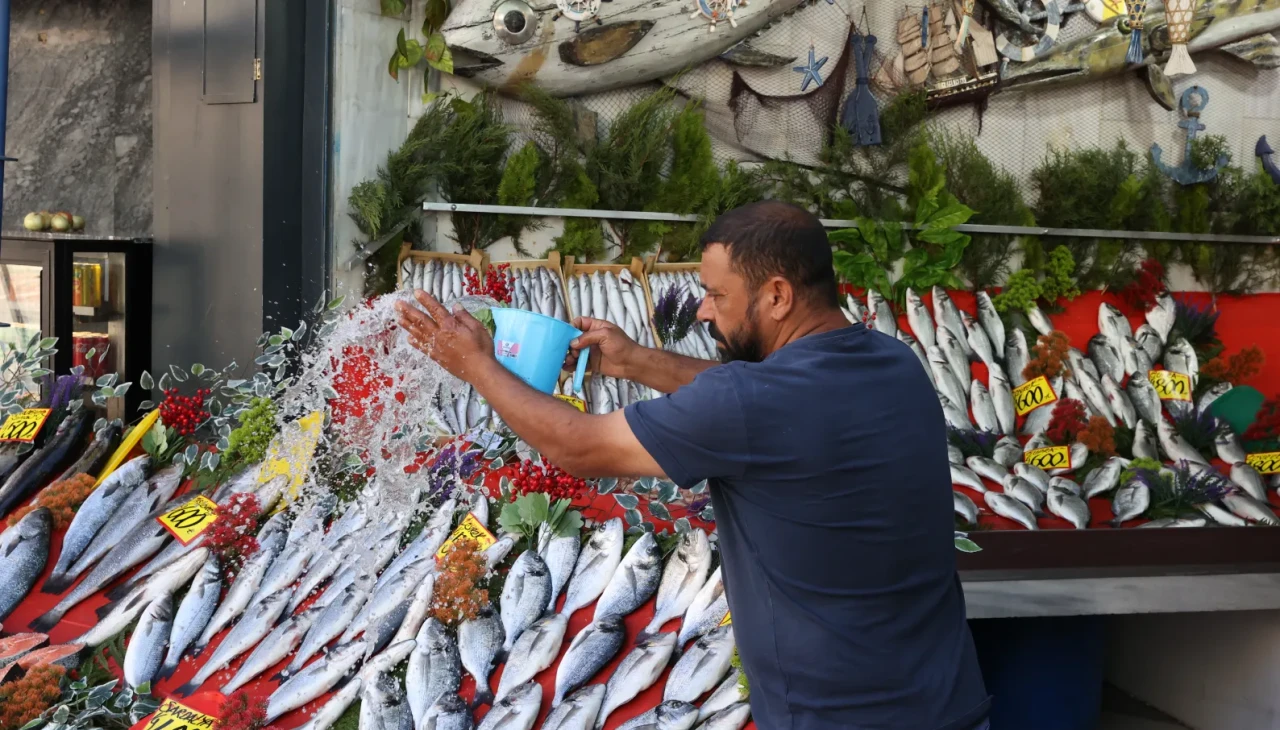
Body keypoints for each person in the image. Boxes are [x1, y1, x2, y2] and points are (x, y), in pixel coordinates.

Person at [395, 200, 990, 730]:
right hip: (950, 698)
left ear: (778, 295)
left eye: (718, 295)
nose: (703, 311)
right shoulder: (890, 362)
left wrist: (474, 365)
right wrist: (635, 362)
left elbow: (577, 445)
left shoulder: (752, 403)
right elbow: (763, 400)